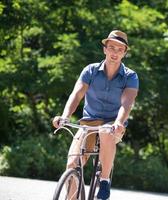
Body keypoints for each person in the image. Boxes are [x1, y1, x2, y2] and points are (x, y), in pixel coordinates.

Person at [52, 30, 139, 200]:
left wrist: (119, 122)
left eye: (119, 49)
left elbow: (126, 103)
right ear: (104, 49)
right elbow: (76, 95)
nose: (115, 52)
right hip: (89, 122)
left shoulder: (130, 76)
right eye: (111, 47)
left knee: (106, 131)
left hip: (114, 123)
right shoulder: (90, 71)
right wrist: (64, 116)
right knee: (72, 163)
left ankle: (104, 180)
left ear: (124, 53)